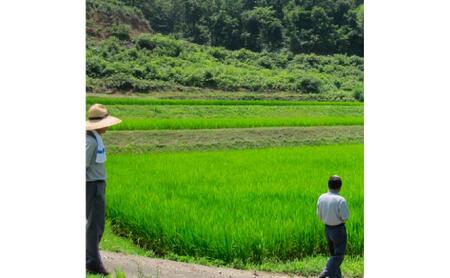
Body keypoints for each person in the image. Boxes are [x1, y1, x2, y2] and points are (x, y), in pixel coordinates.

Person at [86, 103, 121, 275]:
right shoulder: (90, 142)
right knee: (95, 225)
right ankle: (92, 262)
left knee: (95, 224)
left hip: (96, 183)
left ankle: (89, 257)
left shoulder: (94, 138)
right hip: (92, 185)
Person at [316, 175, 349, 278]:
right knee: (338, 256)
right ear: (340, 187)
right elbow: (345, 217)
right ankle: (326, 272)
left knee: (333, 255)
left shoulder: (321, 197)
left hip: (327, 229)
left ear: (328, 185)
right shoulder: (340, 200)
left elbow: (319, 215)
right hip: (338, 230)